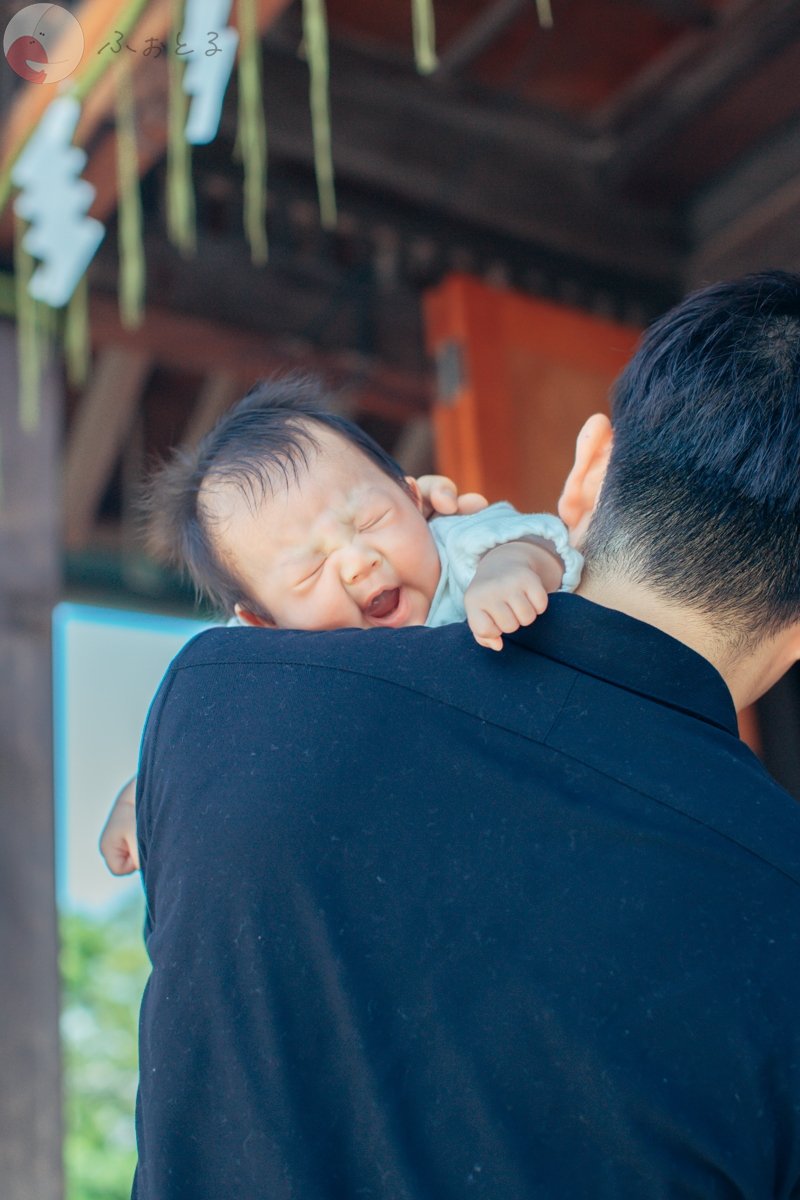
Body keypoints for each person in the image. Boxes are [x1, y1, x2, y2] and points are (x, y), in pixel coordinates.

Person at [132, 272, 800, 1200]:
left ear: (592, 472)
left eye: (368, 519)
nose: (359, 559)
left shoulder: (211, 713)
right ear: (260, 612)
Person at [100, 377, 582, 875]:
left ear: (414, 498)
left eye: (371, 520)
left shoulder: (456, 549)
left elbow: (535, 539)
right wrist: (142, 799)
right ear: (262, 623)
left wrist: (508, 571)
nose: (358, 561)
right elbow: (206, 735)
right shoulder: (276, 662)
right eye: (310, 569)